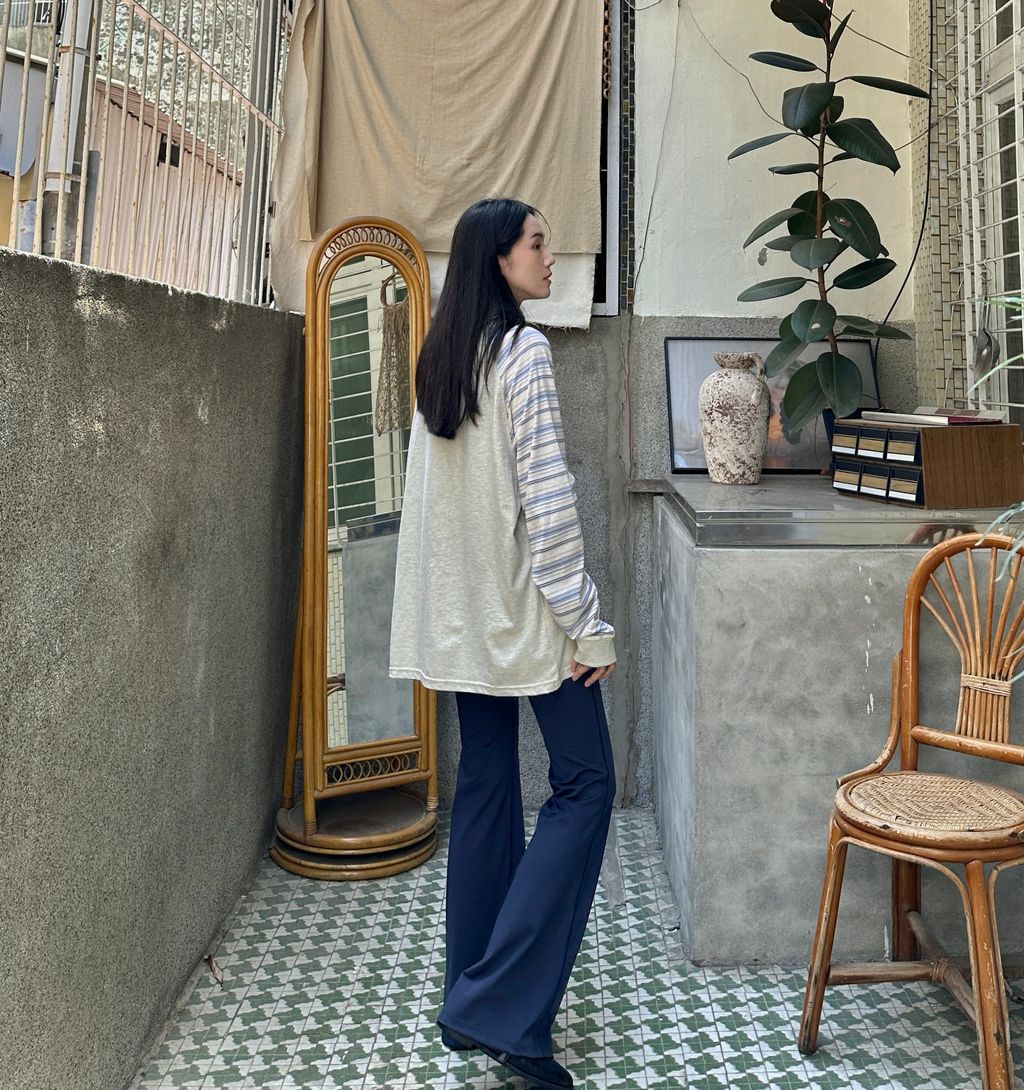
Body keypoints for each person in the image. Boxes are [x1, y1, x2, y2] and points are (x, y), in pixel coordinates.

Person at [389, 197, 616, 1090]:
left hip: (460, 617)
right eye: (537, 243)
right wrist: (587, 625)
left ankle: (476, 999)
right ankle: (500, 1008)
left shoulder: (444, 359)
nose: (550, 257)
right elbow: (548, 506)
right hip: (527, 614)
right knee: (586, 784)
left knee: (485, 789)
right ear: (498, 259)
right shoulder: (522, 354)